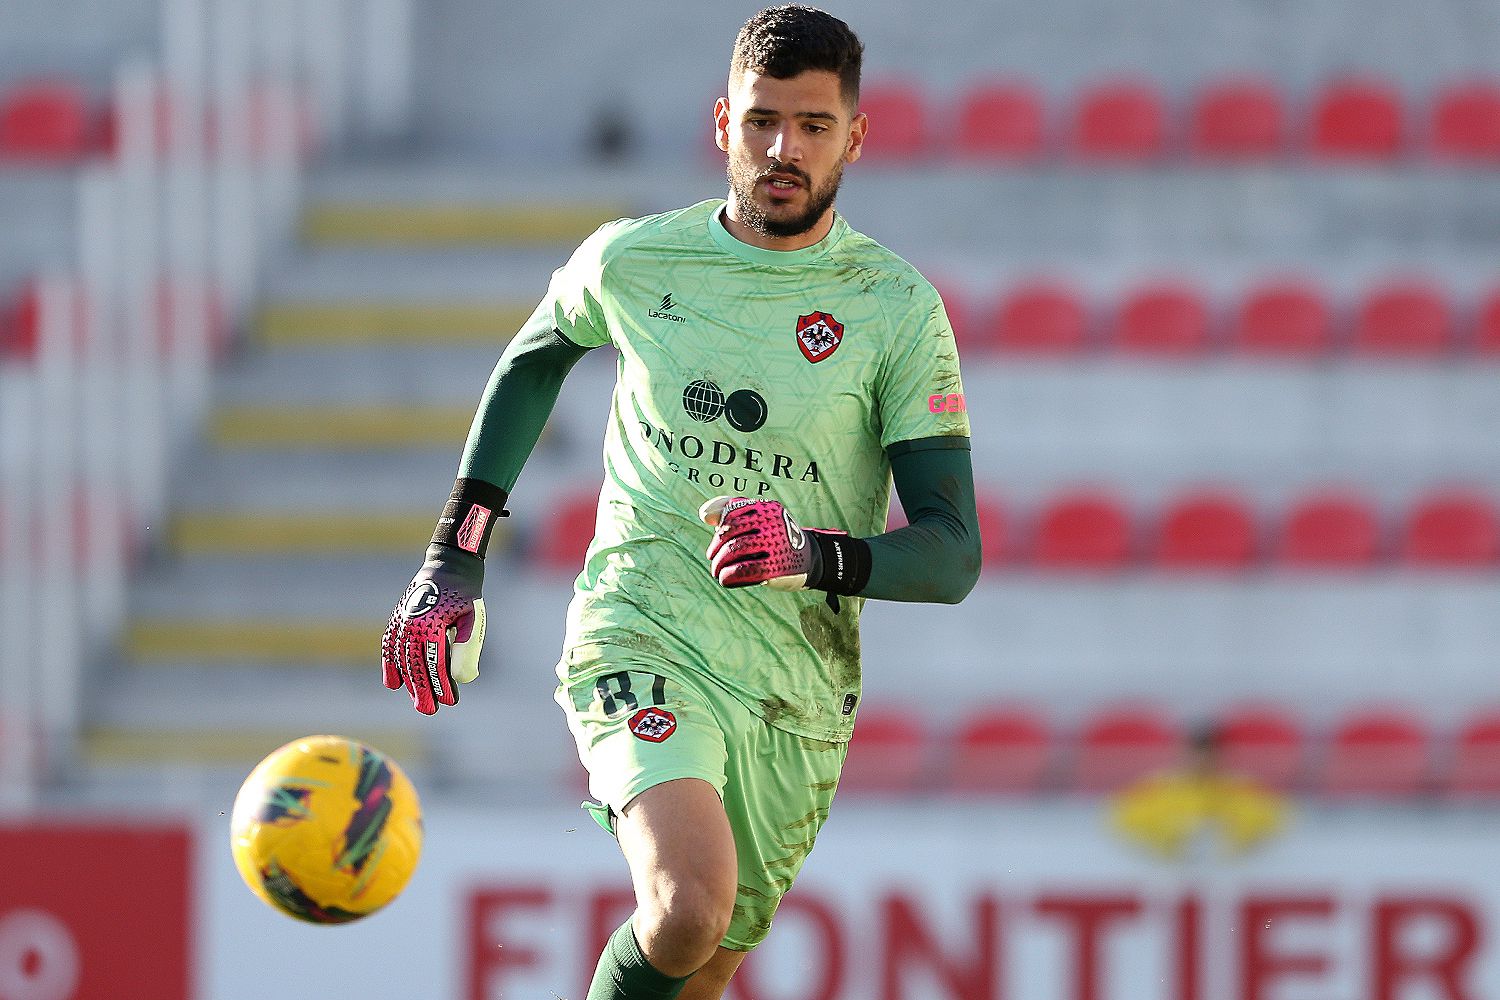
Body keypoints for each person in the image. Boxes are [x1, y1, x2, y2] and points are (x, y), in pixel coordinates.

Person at [380, 6, 981, 998]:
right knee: (686, 906)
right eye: (762, 121)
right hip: (642, 630)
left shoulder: (897, 311)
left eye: (814, 126)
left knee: (698, 969)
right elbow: (540, 353)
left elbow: (953, 553)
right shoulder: (634, 260)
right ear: (721, 123)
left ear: (857, 138)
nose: (784, 150)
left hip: (796, 693)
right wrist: (458, 548)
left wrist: (812, 555)